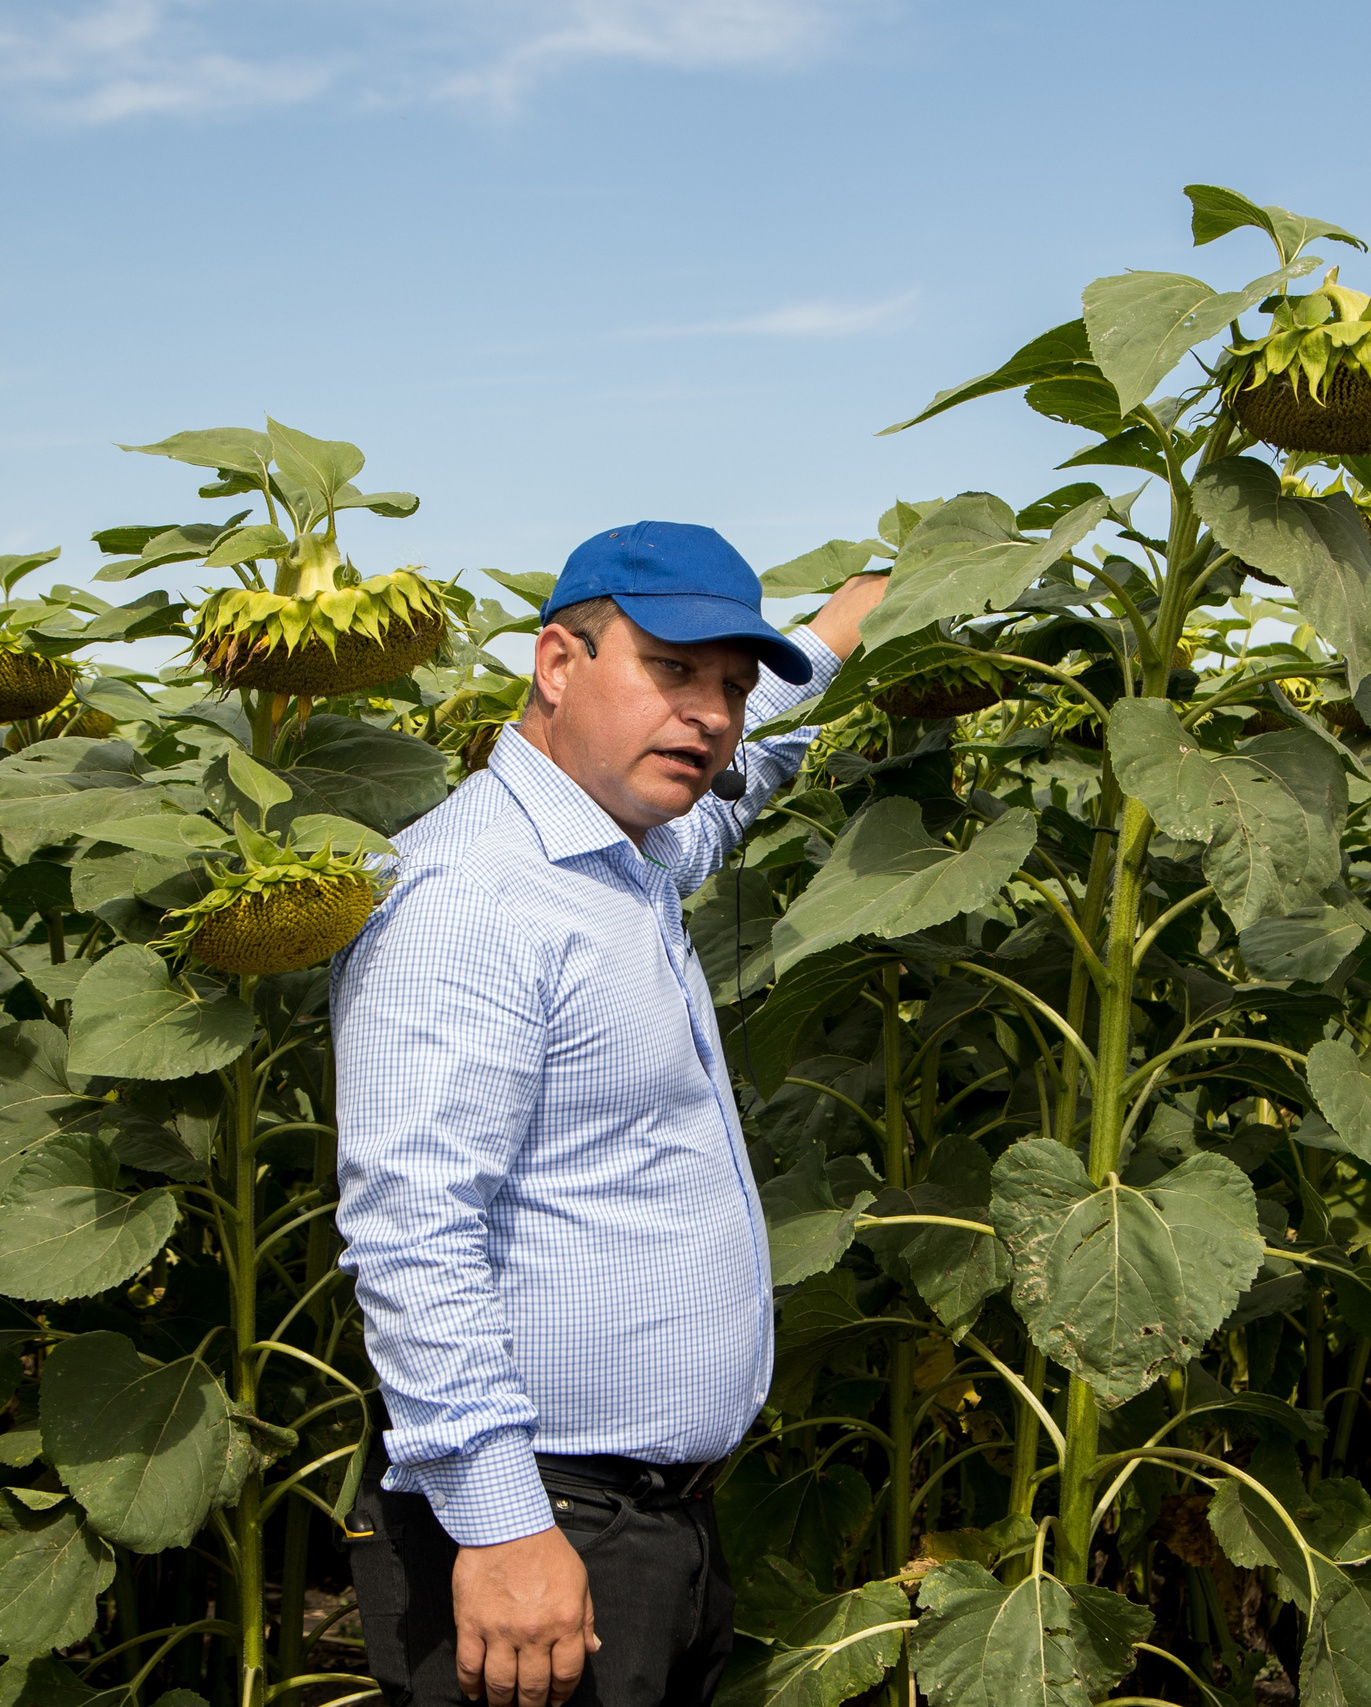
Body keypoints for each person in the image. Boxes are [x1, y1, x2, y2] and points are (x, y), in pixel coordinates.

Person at [331, 521, 889, 1707]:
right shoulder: (472, 897)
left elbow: (741, 782)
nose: (710, 715)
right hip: (539, 1530)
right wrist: (502, 1528)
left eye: (731, 688)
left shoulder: (627, 852)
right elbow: (413, 1230)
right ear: (555, 664)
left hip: (647, 1524)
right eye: (672, 670)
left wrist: (843, 627)